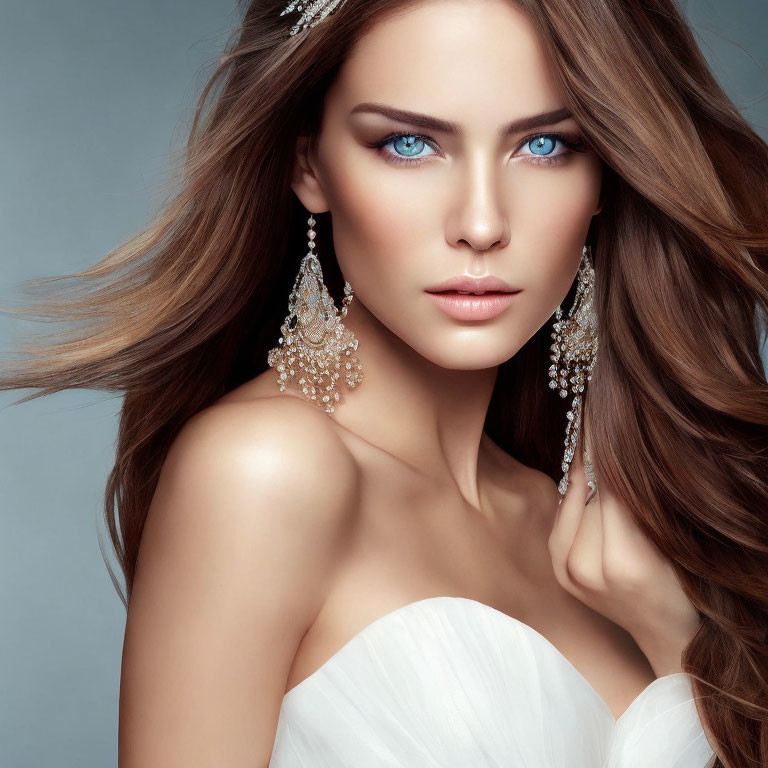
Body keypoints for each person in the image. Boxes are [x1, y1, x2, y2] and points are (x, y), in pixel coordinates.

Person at [1, 0, 766, 765]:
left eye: (543, 144)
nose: (480, 221)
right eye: (408, 143)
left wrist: (677, 638)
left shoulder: (597, 533)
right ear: (309, 164)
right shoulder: (264, 471)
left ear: (604, 175)